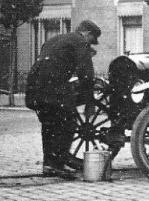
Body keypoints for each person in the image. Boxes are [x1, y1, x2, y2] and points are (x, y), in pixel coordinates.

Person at [25, 20, 101, 179]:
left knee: (49, 126)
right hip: (53, 87)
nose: (90, 44)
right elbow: (86, 75)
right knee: (67, 123)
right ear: (87, 33)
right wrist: (90, 102)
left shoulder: (55, 39)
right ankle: (58, 165)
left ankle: (49, 164)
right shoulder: (80, 42)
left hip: (34, 86)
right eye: (92, 39)